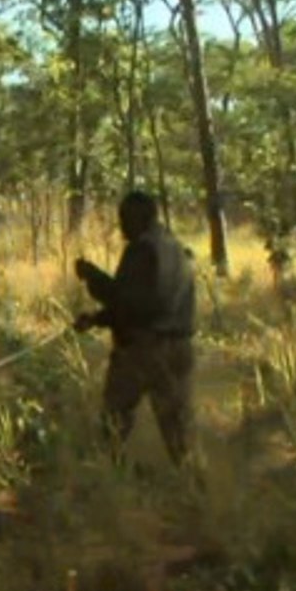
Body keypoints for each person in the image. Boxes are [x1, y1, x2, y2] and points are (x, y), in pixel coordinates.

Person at [74, 190, 195, 469]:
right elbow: (145, 302)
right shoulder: (175, 248)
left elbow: (125, 303)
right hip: (179, 348)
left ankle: (109, 483)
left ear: (139, 218)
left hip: (144, 351)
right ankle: (197, 491)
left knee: (113, 423)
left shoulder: (142, 249)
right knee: (180, 432)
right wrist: (96, 319)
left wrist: (93, 277)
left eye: (125, 220)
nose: (122, 227)